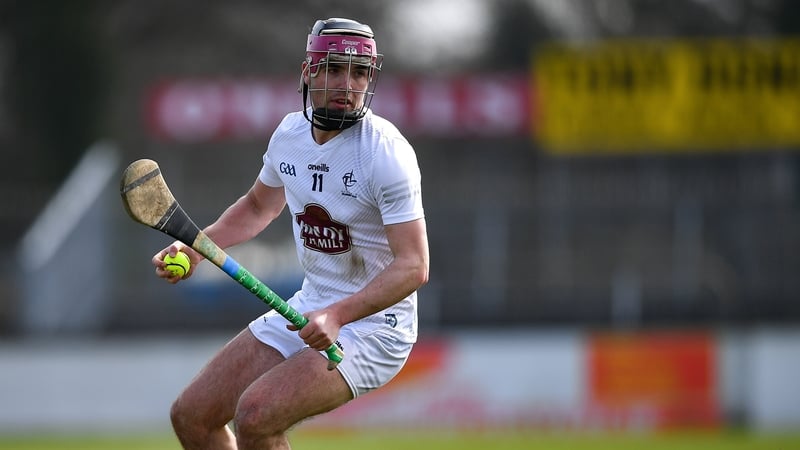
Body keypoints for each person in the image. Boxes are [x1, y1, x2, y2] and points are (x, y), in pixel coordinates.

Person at [152, 17, 429, 450]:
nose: (348, 84)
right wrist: (197, 249)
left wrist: (338, 315)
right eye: (334, 68)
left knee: (256, 417)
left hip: (376, 327)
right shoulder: (289, 134)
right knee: (192, 416)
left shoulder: (386, 154)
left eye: (360, 72)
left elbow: (414, 266)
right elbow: (257, 206)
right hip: (310, 307)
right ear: (308, 72)